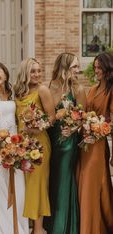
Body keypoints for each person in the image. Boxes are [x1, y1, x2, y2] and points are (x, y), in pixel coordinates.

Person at [0, 61, 29, 234]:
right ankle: (3, 229)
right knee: (2, 190)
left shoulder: (12, 93)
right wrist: (0, 147)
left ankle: (19, 228)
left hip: (17, 147)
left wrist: (18, 145)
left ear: (5, 72)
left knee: (19, 189)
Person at [43, 52, 86, 234]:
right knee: (51, 179)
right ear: (64, 67)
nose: (78, 70)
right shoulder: (48, 86)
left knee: (63, 179)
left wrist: (73, 129)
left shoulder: (78, 89)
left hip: (67, 141)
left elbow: (82, 117)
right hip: (49, 139)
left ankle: (63, 227)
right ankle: (51, 224)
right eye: (74, 66)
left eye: (77, 66)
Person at [14, 58, 55, 234]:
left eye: (39, 71)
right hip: (21, 144)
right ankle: (28, 226)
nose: (37, 74)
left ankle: (38, 229)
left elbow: (51, 117)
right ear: (25, 73)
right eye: (33, 71)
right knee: (25, 186)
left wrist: (37, 127)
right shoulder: (18, 92)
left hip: (39, 144)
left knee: (37, 185)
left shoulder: (43, 90)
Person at [76, 52, 113, 234]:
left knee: (93, 184)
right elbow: (84, 113)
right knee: (83, 183)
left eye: (100, 67)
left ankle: (91, 229)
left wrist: (99, 130)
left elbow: (111, 121)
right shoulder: (92, 89)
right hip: (85, 144)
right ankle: (88, 225)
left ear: (108, 69)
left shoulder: (111, 91)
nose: (96, 70)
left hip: (98, 145)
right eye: (95, 67)